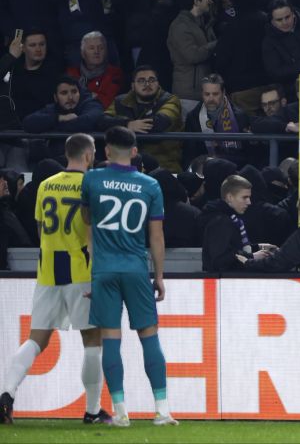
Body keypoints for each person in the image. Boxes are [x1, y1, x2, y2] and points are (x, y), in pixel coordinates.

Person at [0, 134, 111, 426]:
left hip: (48, 270)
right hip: (81, 270)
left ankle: (6, 395)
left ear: (66, 153)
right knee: (92, 339)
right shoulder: (92, 185)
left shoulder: (46, 185)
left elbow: (40, 229)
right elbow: (94, 232)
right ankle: (92, 410)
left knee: (37, 338)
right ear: (88, 155)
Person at [79, 126, 176, 427]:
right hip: (136, 269)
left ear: (106, 151)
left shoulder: (92, 179)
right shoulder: (150, 185)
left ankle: (121, 413)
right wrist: (158, 275)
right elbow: (156, 236)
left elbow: (87, 221)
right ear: (134, 152)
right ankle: (162, 410)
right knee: (150, 338)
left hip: (104, 270)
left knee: (110, 340)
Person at [98, 66, 184, 173]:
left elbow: (159, 123)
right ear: (133, 85)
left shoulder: (170, 100)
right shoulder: (120, 101)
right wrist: (128, 125)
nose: (147, 84)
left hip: (163, 164)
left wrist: (124, 128)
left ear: (158, 84)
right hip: (125, 162)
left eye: (151, 80)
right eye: (141, 80)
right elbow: (102, 121)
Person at [200, 174, 269, 272]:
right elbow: (220, 260)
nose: (249, 202)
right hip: (223, 284)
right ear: (230, 197)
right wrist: (252, 256)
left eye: (249, 197)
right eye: (244, 197)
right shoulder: (221, 222)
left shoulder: (230, 218)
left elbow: (232, 249)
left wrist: (257, 247)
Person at [23, 75, 104, 156]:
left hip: (91, 159)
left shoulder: (91, 104)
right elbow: (28, 123)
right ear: (55, 97)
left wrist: (51, 126)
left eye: (74, 92)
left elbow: (87, 122)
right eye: (64, 93)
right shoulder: (53, 108)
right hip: (60, 159)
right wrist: (59, 118)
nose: (70, 97)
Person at [183, 74, 252, 168]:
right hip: (202, 171)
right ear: (202, 94)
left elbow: (247, 155)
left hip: (233, 171)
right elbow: (189, 154)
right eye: (207, 94)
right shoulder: (193, 117)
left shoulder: (239, 116)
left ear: (223, 93)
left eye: (215, 94)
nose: (211, 99)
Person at [67, 32, 124, 112]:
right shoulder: (71, 74)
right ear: (83, 53)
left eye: (101, 48)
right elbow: (65, 101)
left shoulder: (114, 74)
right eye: (91, 48)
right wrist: (93, 95)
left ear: (106, 52)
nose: (96, 51)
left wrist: (80, 96)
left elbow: (107, 102)